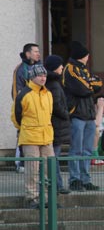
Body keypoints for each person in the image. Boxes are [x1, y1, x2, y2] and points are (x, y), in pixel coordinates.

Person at [11, 64, 54, 209]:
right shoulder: (24, 94)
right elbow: (16, 117)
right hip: (30, 138)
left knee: (49, 169)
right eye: (39, 75)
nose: (43, 78)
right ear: (32, 77)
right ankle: (32, 198)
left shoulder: (48, 93)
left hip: (46, 137)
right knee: (32, 169)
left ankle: (47, 198)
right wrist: (25, 129)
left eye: (44, 75)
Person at [63, 41, 103, 191]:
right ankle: (75, 179)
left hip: (89, 115)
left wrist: (89, 85)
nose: (88, 57)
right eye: (87, 55)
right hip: (77, 115)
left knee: (87, 150)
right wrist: (90, 85)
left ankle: (86, 179)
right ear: (82, 56)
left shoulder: (84, 70)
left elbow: (98, 82)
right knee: (76, 149)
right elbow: (83, 89)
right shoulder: (70, 69)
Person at [11, 43, 41, 173]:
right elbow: (16, 91)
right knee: (23, 134)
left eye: (38, 51)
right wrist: (23, 107)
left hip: (39, 110)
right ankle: (20, 163)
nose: (38, 54)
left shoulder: (39, 67)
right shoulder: (20, 69)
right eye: (35, 51)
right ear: (28, 54)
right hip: (26, 108)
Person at [44, 55, 71, 195]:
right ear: (55, 67)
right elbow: (56, 105)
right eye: (60, 65)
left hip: (55, 126)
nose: (62, 67)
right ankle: (57, 185)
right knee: (54, 158)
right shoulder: (54, 84)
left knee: (54, 158)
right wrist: (67, 114)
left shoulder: (52, 82)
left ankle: (57, 185)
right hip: (56, 126)